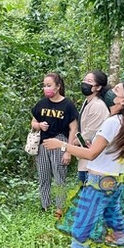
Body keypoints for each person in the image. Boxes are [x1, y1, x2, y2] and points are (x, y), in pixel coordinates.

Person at [45, 81, 124, 248]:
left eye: (116, 90)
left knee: (79, 235)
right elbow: (108, 153)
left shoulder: (111, 122)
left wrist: (61, 145)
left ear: (123, 101)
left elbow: (91, 155)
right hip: (113, 183)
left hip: (98, 185)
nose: (111, 91)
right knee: (118, 227)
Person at [31, 72, 79, 218]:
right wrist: (39, 125)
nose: (46, 88)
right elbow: (33, 122)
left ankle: (60, 208)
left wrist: (68, 151)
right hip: (43, 143)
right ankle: (45, 206)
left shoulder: (68, 105)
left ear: (58, 86)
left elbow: (73, 129)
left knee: (59, 178)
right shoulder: (41, 104)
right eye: (44, 86)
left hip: (60, 142)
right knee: (44, 177)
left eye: (49, 85)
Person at [75, 71, 110, 185]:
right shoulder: (88, 102)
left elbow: (89, 134)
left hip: (93, 163)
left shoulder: (97, 106)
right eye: (84, 80)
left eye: (89, 81)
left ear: (98, 87)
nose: (84, 83)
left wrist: (72, 144)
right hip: (85, 160)